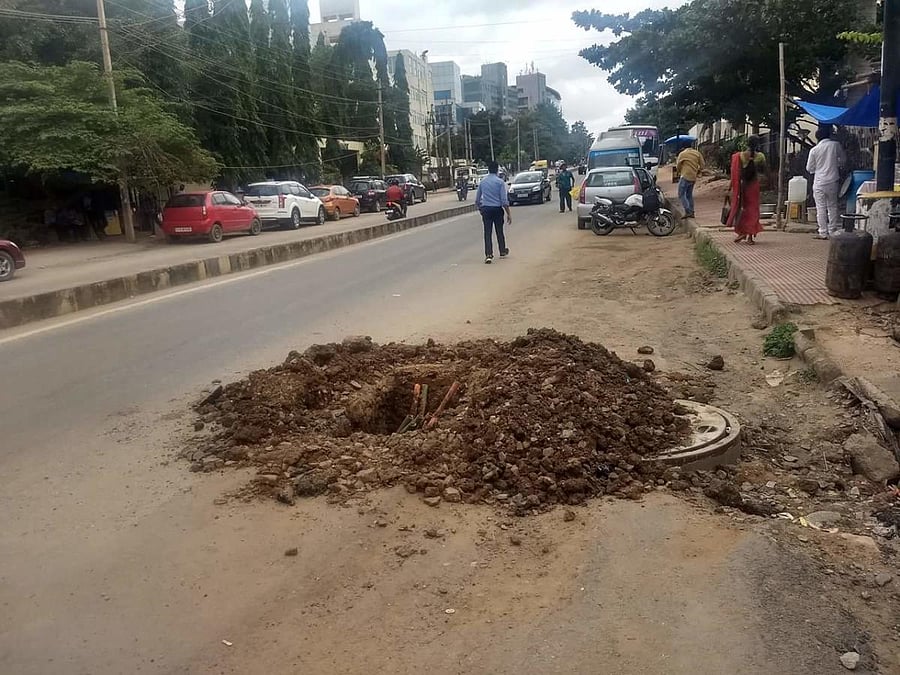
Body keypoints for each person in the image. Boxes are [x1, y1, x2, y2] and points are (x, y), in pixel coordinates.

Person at [806, 124, 846, 240]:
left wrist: (816, 169)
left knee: (820, 208)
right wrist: (836, 165)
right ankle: (833, 230)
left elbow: (809, 168)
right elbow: (843, 160)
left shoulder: (814, 150)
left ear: (817, 138)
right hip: (833, 180)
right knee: (832, 206)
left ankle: (823, 232)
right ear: (829, 135)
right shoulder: (835, 145)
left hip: (819, 182)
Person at [726, 135, 768, 245]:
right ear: (758, 144)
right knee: (753, 210)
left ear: (747, 143)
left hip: (742, 186)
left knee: (743, 209)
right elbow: (764, 171)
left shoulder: (739, 156)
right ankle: (749, 236)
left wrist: (730, 187)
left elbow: (734, 173)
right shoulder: (761, 156)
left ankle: (742, 232)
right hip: (754, 186)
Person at [475, 161, 512, 264]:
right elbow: (504, 200)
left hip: (486, 209)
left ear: (488, 169)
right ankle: (502, 251)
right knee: (499, 231)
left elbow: (477, 199)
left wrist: (481, 209)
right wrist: (508, 213)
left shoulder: (483, 182)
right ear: (497, 170)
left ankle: (488, 254)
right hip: (497, 209)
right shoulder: (500, 182)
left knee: (487, 232)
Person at [675, 142, 705, 218]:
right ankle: (692, 212)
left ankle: (688, 211)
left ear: (683, 147)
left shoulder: (682, 154)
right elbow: (702, 165)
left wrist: (679, 172)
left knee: (681, 194)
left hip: (685, 176)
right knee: (689, 195)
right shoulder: (697, 153)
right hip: (693, 177)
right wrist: (697, 170)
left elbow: (678, 166)